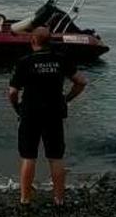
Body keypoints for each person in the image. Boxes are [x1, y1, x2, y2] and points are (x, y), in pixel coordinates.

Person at [8, 27, 87, 206]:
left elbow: (12, 92)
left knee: (28, 156)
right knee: (56, 156)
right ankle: (59, 198)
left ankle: (25, 198)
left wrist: (16, 107)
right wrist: (67, 99)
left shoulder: (25, 61)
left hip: (30, 112)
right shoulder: (61, 60)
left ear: (33, 41)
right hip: (54, 112)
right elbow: (81, 82)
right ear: (49, 41)